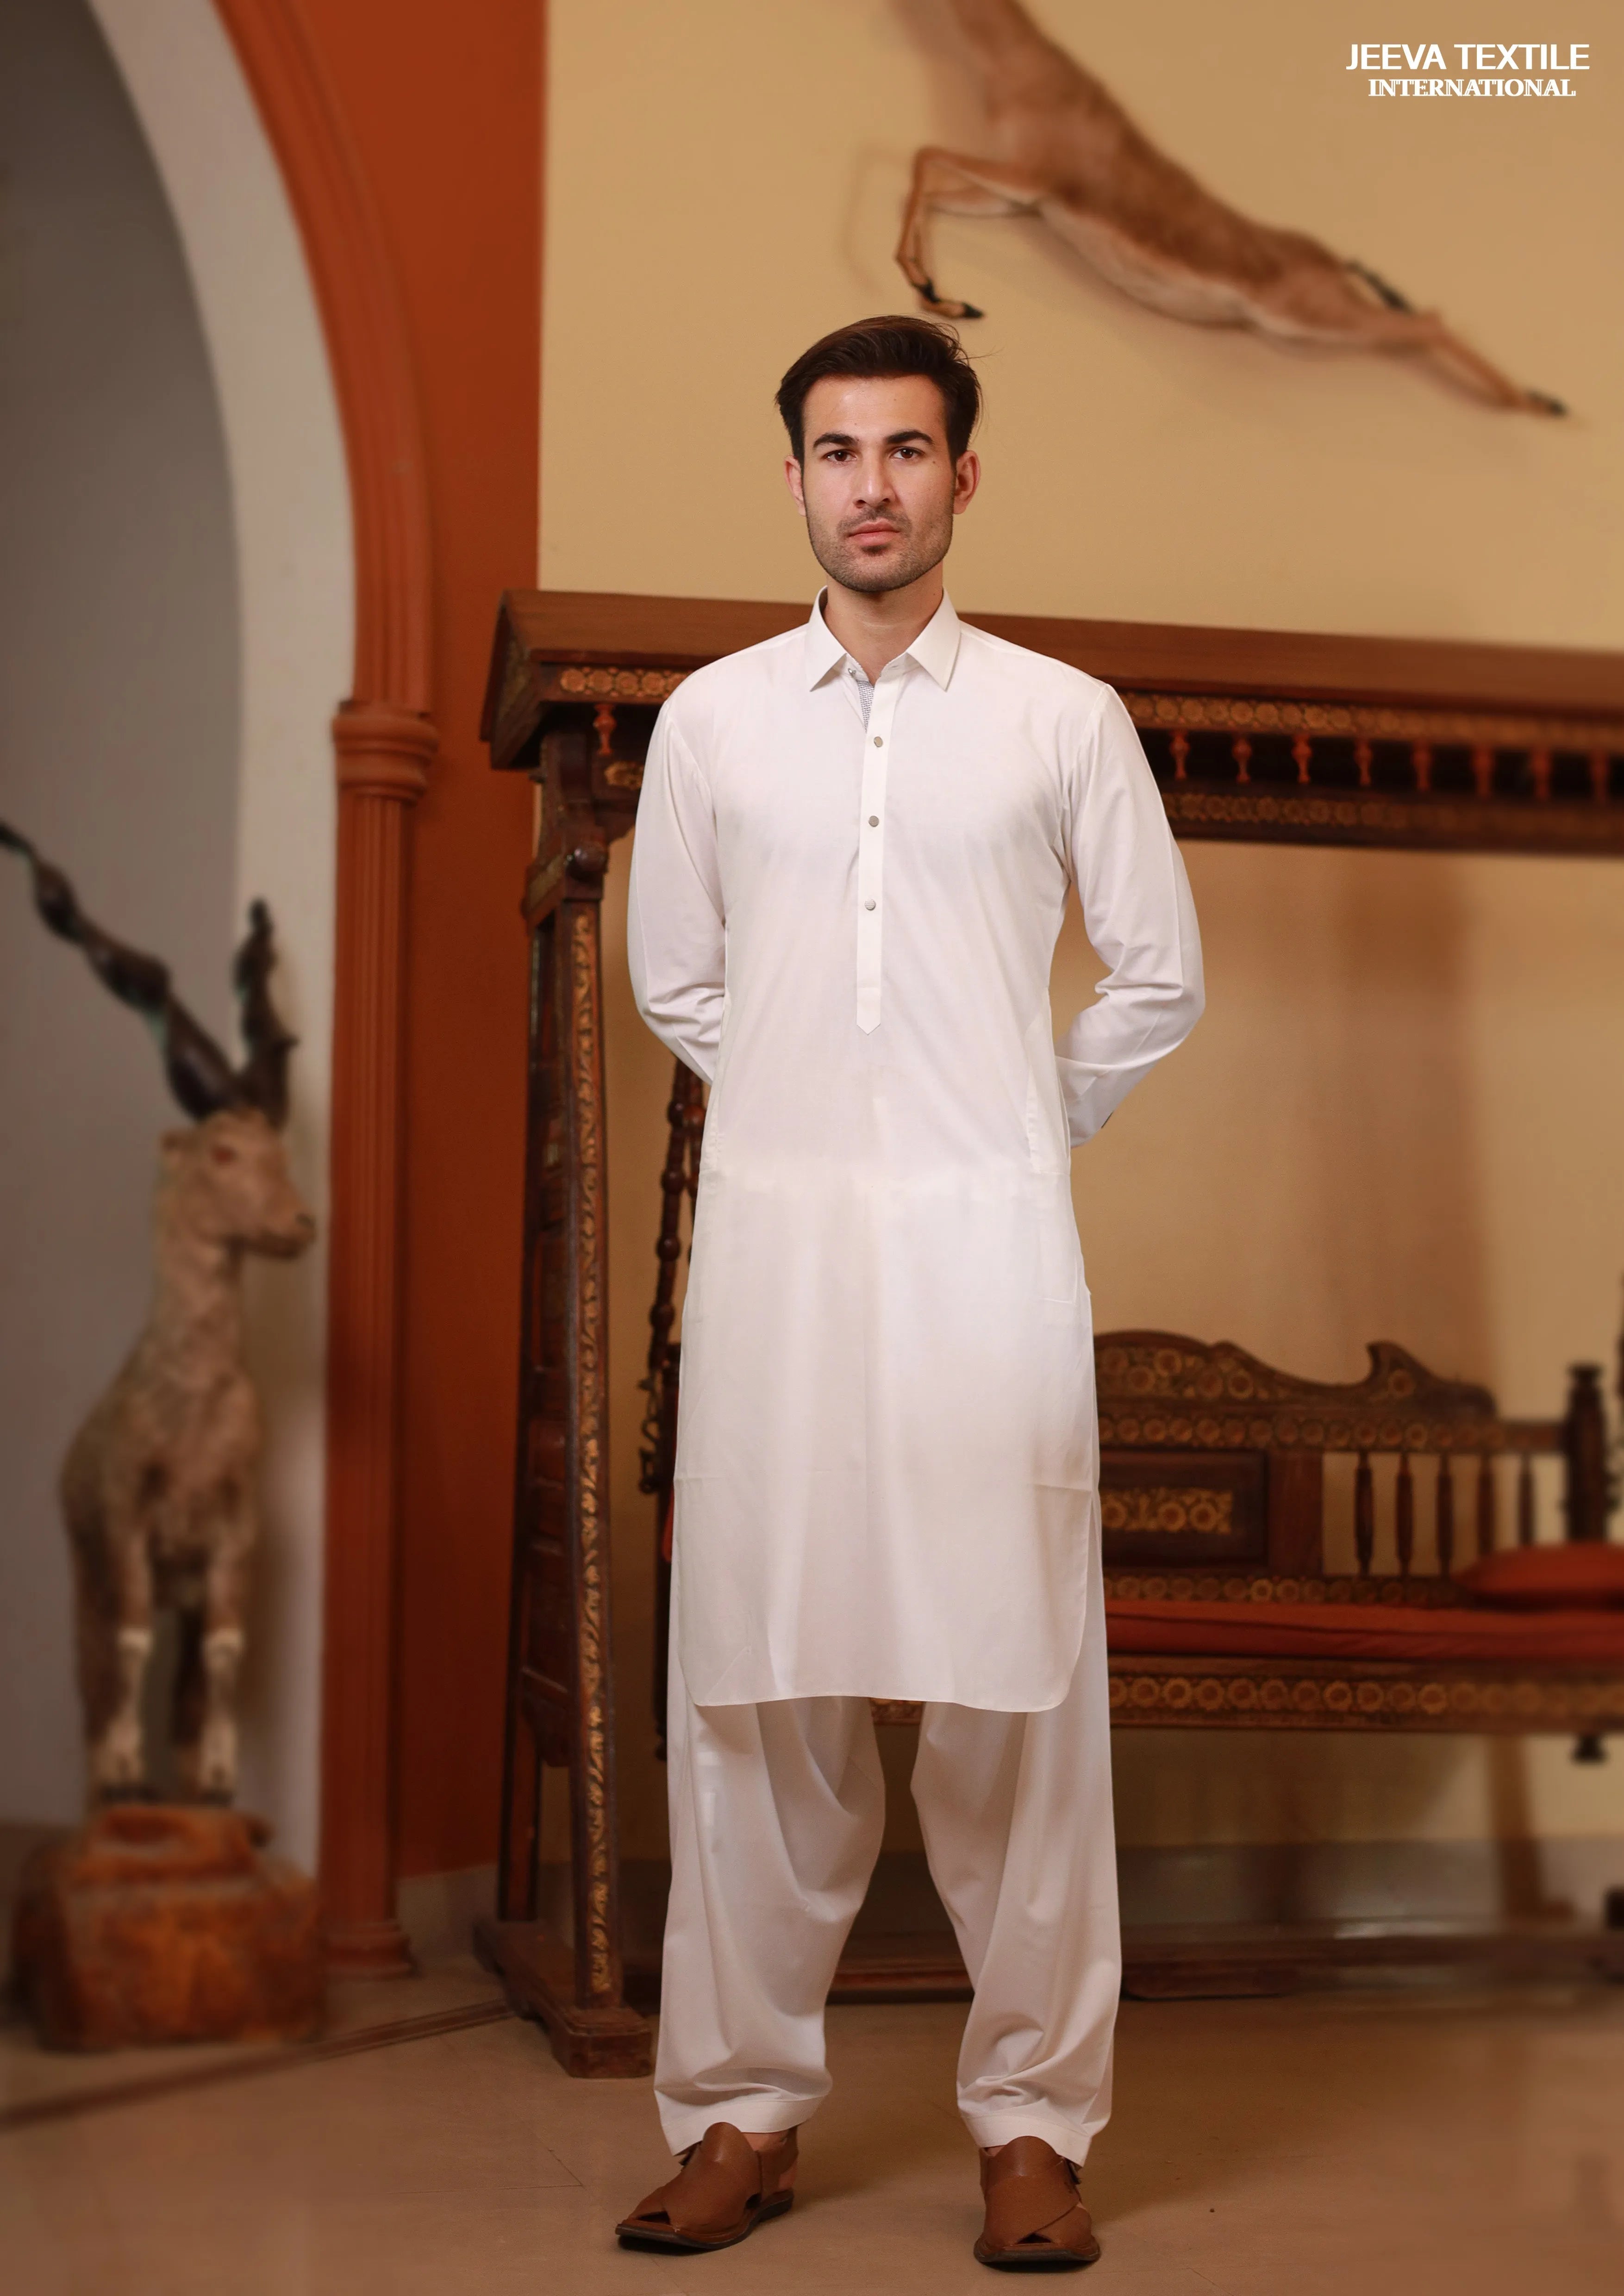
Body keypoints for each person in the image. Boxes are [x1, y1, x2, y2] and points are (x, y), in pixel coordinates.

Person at [618, 314, 1203, 2269]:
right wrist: (825, 1106)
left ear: (963, 473)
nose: (869, 484)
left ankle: (1032, 2124)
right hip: (779, 1263)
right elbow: (676, 976)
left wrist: (1009, 1119)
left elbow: (1157, 969)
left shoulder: (1061, 717)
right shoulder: (711, 722)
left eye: (904, 448)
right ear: (793, 475)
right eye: (835, 450)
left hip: (987, 1265)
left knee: (1014, 1694)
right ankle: (737, 2110)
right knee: (755, 1690)